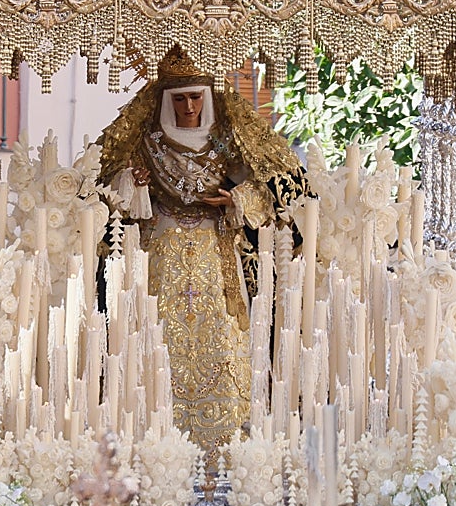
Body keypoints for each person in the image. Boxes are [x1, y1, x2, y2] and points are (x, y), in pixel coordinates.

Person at [97, 46, 307, 454]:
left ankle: (225, 425)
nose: (189, 106)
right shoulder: (146, 144)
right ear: (164, 101)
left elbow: (268, 188)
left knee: (221, 335)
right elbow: (111, 195)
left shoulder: (228, 142)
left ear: (208, 97)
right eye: (180, 99)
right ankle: (157, 425)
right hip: (162, 250)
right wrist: (134, 183)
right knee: (159, 332)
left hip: (215, 251)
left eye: (196, 97)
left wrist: (235, 201)